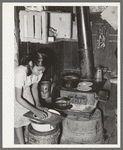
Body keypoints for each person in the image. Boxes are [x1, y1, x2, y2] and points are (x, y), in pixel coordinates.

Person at [14, 51, 49, 144]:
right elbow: (18, 98)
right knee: (18, 119)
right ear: (30, 63)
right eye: (39, 70)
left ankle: (26, 137)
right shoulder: (20, 73)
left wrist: (37, 105)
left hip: (25, 90)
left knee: (29, 115)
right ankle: (21, 144)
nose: (41, 72)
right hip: (13, 93)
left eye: (43, 70)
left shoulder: (39, 73)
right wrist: (35, 110)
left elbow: (34, 88)